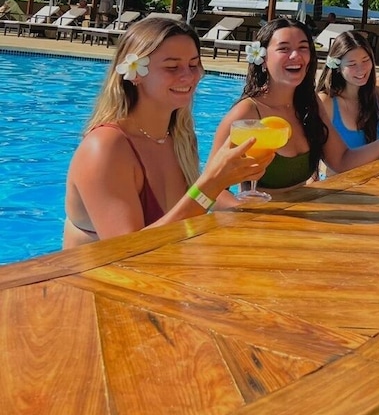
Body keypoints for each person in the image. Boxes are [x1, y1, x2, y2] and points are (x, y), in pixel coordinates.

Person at [63, 17, 264, 247]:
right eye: (172, 67)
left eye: (194, 65)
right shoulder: (105, 147)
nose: (188, 76)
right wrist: (212, 184)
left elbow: (184, 223)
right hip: (109, 270)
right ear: (136, 73)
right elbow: (127, 250)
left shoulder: (180, 137)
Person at [208, 17, 379, 193]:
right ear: (263, 58)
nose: (296, 56)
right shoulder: (247, 111)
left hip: (306, 217)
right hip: (258, 223)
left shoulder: (309, 104)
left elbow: (342, 160)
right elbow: (212, 190)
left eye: (303, 48)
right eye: (284, 48)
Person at [316, 31, 379, 149]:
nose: (361, 69)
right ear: (337, 67)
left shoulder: (377, 95)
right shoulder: (325, 101)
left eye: (365, 60)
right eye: (352, 64)